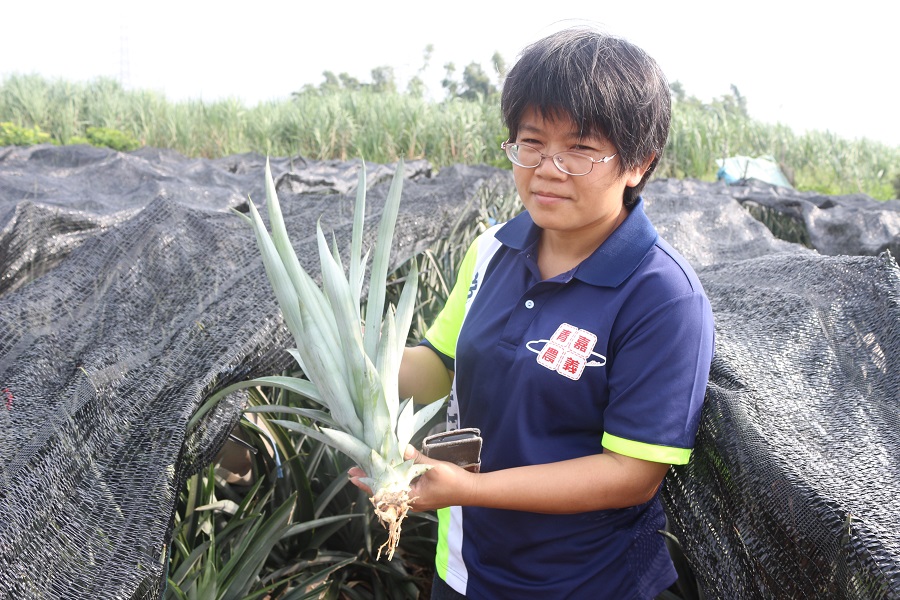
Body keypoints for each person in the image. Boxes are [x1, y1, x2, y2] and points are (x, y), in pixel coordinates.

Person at [352, 26, 714, 599]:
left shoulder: (661, 296)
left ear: (639, 163)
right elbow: (441, 364)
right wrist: (349, 357)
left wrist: (467, 489)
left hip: (585, 583)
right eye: (531, 142)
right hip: (465, 568)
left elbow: (631, 475)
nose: (547, 167)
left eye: (579, 148)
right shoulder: (493, 250)